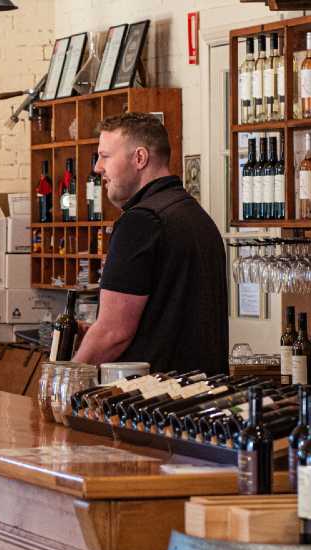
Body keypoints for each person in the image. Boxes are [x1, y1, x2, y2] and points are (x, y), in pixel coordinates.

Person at [72, 112, 228, 374]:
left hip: (153, 393)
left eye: (105, 156)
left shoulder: (140, 222)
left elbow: (113, 334)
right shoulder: (195, 215)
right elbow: (174, 316)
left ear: (140, 158)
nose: (98, 167)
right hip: (203, 389)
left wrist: (65, 380)